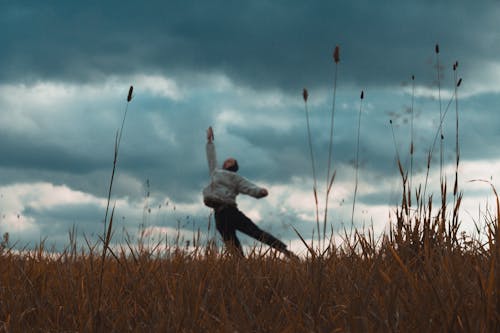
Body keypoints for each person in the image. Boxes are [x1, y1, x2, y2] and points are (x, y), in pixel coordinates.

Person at [203, 126, 296, 258]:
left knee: (255, 232)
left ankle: (285, 251)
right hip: (219, 214)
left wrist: (260, 191)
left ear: (234, 167)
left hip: (231, 211)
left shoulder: (236, 178)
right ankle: (241, 266)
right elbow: (211, 158)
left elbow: (248, 186)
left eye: (231, 161)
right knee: (231, 243)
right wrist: (209, 142)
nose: (228, 160)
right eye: (227, 160)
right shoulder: (216, 172)